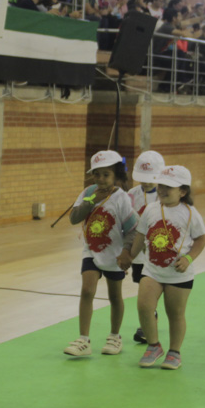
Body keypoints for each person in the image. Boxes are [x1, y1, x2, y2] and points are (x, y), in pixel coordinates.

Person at [128, 165, 205, 371]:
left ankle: (174, 352)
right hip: (152, 270)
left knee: (175, 314)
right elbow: (140, 235)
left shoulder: (190, 214)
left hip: (179, 275)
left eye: (169, 187)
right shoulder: (152, 209)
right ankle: (154, 346)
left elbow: (201, 240)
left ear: (182, 191)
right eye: (161, 185)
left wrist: (189, 258)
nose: (162, 190)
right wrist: (129, 256)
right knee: (144, 306)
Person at [63, 151, 137, 358]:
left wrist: (126, 252)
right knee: (87, 290)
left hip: (114, 254)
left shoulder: (122, 198)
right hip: (91, 251)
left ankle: (115, 336)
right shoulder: (88, 192)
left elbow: (132, 230)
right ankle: (83, 340)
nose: (101, 180)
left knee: (115, 296)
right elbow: (74, 218)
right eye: (97, 175)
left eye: (106, 175)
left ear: (116, 176)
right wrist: (91, 200)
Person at [126, 151, 163, 345]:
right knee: (141, 287)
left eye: (151, 179)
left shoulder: (164, 195)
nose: (147, 183)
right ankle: (148, 320)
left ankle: (148, 323)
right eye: (143, 179)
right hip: (138, 255)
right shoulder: (131, 195)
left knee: (150, 289)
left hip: (157, 254)